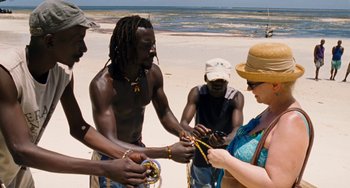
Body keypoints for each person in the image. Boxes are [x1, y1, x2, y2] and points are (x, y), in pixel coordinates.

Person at [0, 1, 148, 187]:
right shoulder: (7, 73)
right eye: (78, 40)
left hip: (16, 171)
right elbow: (21, 149)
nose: (84, 48)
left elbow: (79, 128)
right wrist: (104, 168)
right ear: (49, 41)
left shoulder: (62, 74)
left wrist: (123, 154)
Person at [89, 15, 195, 188]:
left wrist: (181, 132)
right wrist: (167, 152)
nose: (153, 50)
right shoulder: (103, 85)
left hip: (139, 150)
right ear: (127, 48)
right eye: (147, 46)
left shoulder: (152, 74)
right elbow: (109, 141)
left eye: (154, 44)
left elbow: (164, 112)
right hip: (111, 158)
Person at [207, 43, 313, 187]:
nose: (248, 89)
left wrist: (226, 161)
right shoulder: (272, 110)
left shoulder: (291, 122)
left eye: (252, 83)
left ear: (275, 84)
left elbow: (276, 184)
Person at [180, 58, 244, 188]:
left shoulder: (235, 97)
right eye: (214, 79)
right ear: (205, 78)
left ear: (228, 79)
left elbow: (237, 129)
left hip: (226, 154)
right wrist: (192, 131)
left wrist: (224, 140)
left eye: (222, 80)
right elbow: (183, 124)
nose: (218, 83)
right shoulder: (197, 93)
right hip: (201, 153)